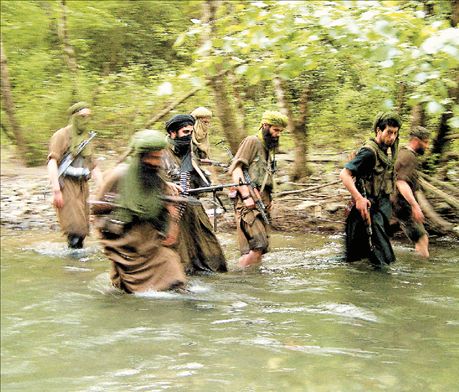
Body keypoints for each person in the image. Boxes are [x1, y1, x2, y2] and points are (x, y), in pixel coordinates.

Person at [94, 130, 187, 293]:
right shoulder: (118, 175)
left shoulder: (155, 176)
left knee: (172, 267)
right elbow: (97, 209)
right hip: (125, 241)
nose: (156, 162)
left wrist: (169, 208)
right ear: (140, 157)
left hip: (149, 239)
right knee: (129, 283)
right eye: (152, 157)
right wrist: (124, 206)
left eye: (158, 158)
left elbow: (163, 202)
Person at [162, 114, 227, 274]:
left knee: (212, 254)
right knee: (181, 259)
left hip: (194, 208)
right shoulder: (161, 154)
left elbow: (196, 178)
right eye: (185, 132)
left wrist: (206, 183)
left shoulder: (189, 153)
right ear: (172, 133)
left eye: (191, 132)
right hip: (173, 212)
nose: (189, 136)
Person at [339, 112, 402, 268]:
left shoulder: (388, 151)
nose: (392, 137)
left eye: (395, 133)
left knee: (364, 256)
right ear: (378, 131)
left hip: (380, 208)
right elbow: (344, 175)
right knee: (383, 259)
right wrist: (359, 199)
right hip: (366, 208)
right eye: (389, 132)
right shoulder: (369, 152)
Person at [228, 110, 288, 268]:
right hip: (248, 200)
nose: (278, 135)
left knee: (260, 249)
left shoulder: (268, 147)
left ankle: (249, 281)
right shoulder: (252, 141)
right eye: (275, 130)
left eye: (280, 131)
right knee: (257, 246)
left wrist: (270, 201)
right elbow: (236, 170)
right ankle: (237, 278)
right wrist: (246, 196)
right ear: (265, 125)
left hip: (263, 200)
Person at [47, 102, 102, 249]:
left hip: (83, 185)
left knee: (83, 228)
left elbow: (93, 165)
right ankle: (73, 267)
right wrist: (56, 190)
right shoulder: (61, 135)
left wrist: (102, 188)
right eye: (82, 116)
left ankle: (78, 262)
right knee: (74, 228)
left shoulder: (87, 138)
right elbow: (52, 162)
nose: (86, 119)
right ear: (74, 117)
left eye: (88, 116)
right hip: (66, 184)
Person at [392, 126, 431, 258]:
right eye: (425, 142)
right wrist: (415, 206)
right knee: (422, 238)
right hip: (402, 205)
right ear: (416, 141)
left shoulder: (402, 152)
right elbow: (401, 182)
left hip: (393, 204)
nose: (427, 146)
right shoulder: (409, 157)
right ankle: (421, 271)